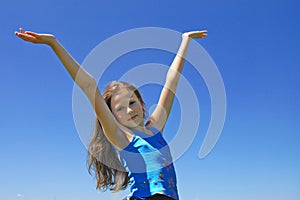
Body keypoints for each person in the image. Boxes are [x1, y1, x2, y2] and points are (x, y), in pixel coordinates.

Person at [15, 28, 207, 200]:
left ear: (141, 103)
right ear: (113, 116)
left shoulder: (155, 128)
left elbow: (171, 81)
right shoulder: (121, 138)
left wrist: (185, 40)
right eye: (120, 109)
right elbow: (88, 85)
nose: (129, 110)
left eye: (132, 103)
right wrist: (53, 43)